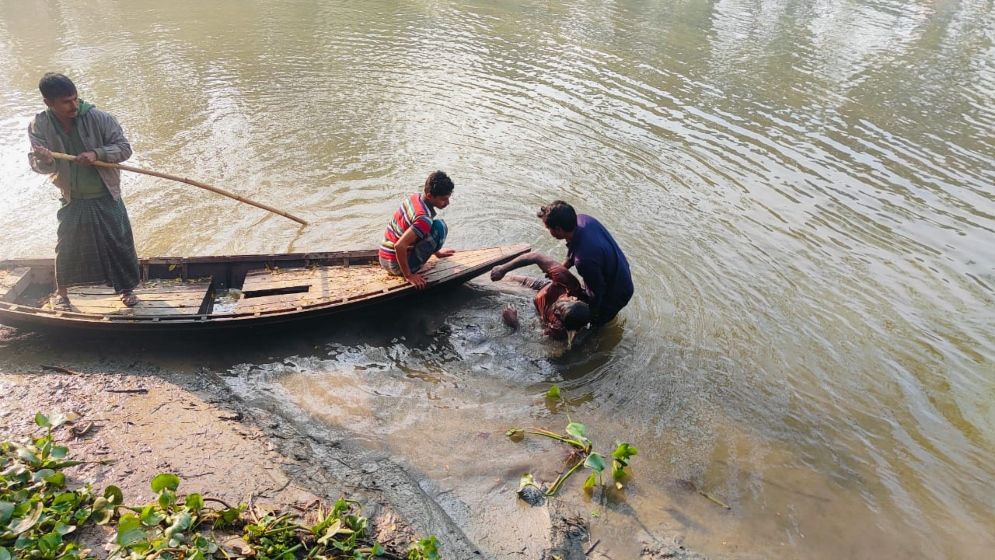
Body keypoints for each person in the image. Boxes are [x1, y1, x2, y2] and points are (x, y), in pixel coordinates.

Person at [28, 73, 140, 310]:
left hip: (105, 194)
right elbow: (39, 166)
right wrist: (45, 160)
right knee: (66, 246)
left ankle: (126, 290)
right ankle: (62, 293)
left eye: (75, 99)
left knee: (118, 243)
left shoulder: (99, 118)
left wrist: (97, 154)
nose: (73, 106)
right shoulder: (40, 125)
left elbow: (124, 149)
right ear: (49, 103)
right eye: (66, 102)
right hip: (73, 196)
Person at [537, 201, 633, 327]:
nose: (548, 231)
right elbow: (574, 245)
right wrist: (563, 267)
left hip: (616, 292)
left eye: (548, 228)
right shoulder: (582, 220)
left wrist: (590, 315)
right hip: (617, 272)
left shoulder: (584, 260)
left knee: (594, 325)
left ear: (558, 229)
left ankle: (593, 337)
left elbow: (597, 291)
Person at [490, 251, 592, 344]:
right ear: (572, 299)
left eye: (559, 316)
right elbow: (536, 256)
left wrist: (514, 324)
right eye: (560, 308)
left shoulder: (560, 330)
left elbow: (531, 342)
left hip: (541, 309)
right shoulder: (568, 284)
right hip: (542, 287)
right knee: (493, 279)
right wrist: (503, 269)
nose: (555, 312)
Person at [378, 170, 455, 289]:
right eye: (444, 199)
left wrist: (437, 252)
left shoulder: (416, 198)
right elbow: (399, 246)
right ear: (430, 196)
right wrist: (409, 275)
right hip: (394, 265)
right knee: (440, 227)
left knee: (432, 226)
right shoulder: (424, 218)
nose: (448, 203)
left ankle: (415, 262)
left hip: (383, 257)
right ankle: (410, 268)